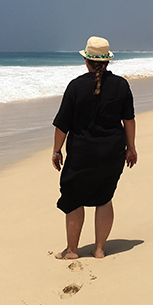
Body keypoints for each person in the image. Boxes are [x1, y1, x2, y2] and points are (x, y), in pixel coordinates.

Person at [51, 36, 137, 259]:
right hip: (112, 152)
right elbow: (129, 120)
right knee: (104, 197)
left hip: (81, 154)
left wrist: (56, 151)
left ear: (87, 61)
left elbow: (63, 124)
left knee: (73, 199)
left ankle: (72, 250)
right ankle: (99, 249)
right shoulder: (121, 85)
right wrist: (131, 148)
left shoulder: (76, 86)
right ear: (107, 61)